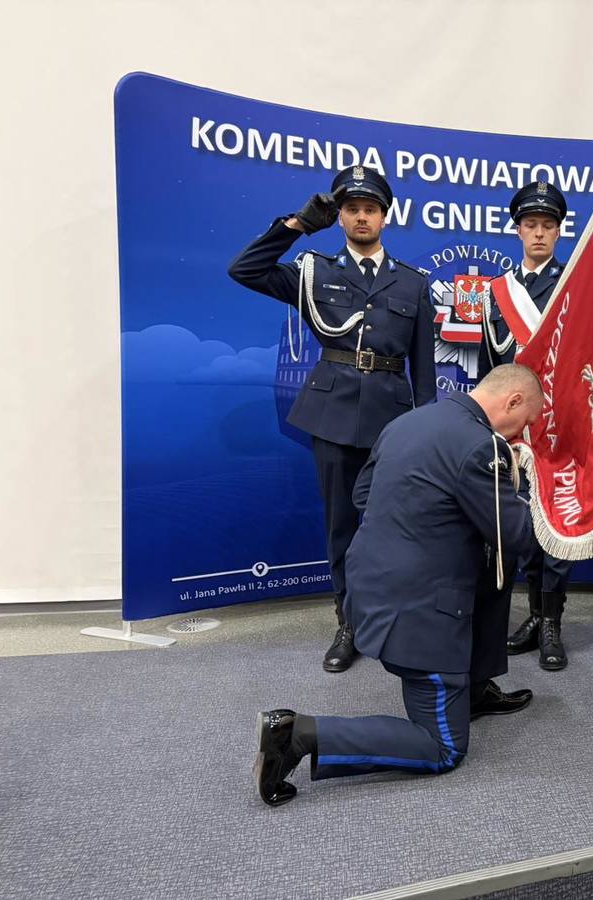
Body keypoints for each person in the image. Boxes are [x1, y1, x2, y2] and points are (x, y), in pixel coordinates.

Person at [254, 365, 542, 807]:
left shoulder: (407, 422)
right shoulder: (480, 447)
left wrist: (427, 528)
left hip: (370, 587)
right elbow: (518, 533)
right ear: (513, 401)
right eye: (526, 421)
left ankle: (472, 690)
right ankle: (296, 734)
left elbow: (363, 496)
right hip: (419, 612)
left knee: (487, 569)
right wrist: (533, 490)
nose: (523, 433)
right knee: (443, 747)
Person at [228, 166, 436, 674]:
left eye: (371, 209)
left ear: (385, 217)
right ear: (339, 216)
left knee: (395, 524)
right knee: (341, 524)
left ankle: (391, 614)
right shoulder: (314, 271)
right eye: (352, 209)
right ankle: (349, 623)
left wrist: (428, 430)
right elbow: (245, 269)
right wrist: (298, 225)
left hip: (392, 419)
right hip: (334, 415)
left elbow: (424, 367)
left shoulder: (412, 282)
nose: (362, 217)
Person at [478, 182, 574, 672]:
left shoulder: (574, 283)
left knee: (556, 528)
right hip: (513, 431)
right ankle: (532, 616)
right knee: (522, 526)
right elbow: (488, 368)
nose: (539, 232)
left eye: (548, 225)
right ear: (517, 230)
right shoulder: (497, 292)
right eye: (530, 224)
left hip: (559, 427)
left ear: (559, 232)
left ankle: (552, 621)